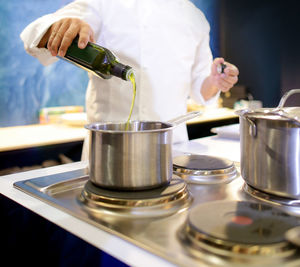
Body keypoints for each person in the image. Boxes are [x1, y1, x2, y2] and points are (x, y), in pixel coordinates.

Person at [21, 0, 239, 160]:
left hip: (173, 151)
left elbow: (201, 90)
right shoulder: (105, 4)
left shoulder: (195, 17)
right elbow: (35, 37)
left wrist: (215, 81)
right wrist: (61, 26)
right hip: (110, 153)